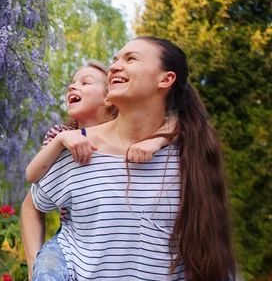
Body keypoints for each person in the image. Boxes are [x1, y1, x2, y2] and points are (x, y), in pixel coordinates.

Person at [22, 37, 235, 281]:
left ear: (166, 79)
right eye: (114, 60)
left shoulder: (190, 153)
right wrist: (35, 268)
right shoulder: (77, 148)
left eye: (130, 59)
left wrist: (160, 139)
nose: (114, 67)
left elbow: (209, 251)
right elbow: (32, 205)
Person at [22, 60, 172, 278]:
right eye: (72, 84)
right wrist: (61, 140)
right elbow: (32, 175)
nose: (73, 87)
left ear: (108, 99)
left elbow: (180, 122)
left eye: (85, 83)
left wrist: (156, 141)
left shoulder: (128, 132)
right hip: (73, 235)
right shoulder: (61, 133)